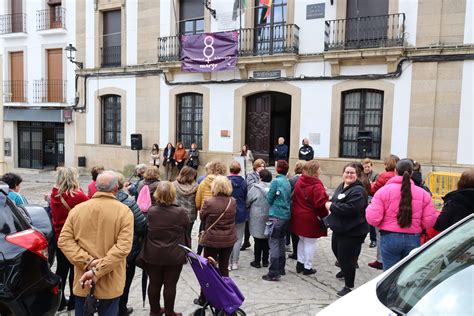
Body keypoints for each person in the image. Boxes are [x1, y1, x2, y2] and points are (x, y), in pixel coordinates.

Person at [58, 171, 133, 315]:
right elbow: (123, 248)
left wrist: (88, 262)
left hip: (83, 280)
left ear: (96, 187)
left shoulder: (78, 210)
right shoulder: (124, 212)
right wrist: (96, 268)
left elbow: (64, 241)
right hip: (109, 281)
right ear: (116, 189)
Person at [366, 159, 437, 271]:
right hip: (413, 237)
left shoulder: (383, 191)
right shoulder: (423, 194)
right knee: (407, 274)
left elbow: (373, 218)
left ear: (395, 171)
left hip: (389, 237)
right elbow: (429, 221)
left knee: (389, 274)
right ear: (412, 173)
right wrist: (417, 225)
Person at [139, 181, 190, 316]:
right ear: (173, 194)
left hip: (153, 253)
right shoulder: (180, 212)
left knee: (154, 283)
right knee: (170, 284)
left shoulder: (151, 211)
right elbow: (186, 226)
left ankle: (154, 311)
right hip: (174, 254)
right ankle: (169, 312)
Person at [325, 163, 369, 297]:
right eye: (347, 172)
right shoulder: (343, 185)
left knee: (347, 258)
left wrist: (331, 206)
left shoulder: (358, 191)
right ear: (343, 173)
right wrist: (332, 204)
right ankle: (344, 270)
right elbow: (335, 199)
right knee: (336, 250)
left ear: (357, 175)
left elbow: (350, 209)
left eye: (352, 173)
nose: (349, 175)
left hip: (353, 231)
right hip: (339, 228)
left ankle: (349, 286)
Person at [50, 167, 89, 311]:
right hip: (75, 238)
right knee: (75, 270)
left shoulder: (55, 194)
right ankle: (73, 300)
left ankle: (58, 302)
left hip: (59, 237)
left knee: (61, 270)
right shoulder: (78, 196)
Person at [195, 175, 237, 306]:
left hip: (212, 239)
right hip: (228, 239)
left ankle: (204, 297)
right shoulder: (232, 201)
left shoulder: (209, 202)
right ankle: (225, 297)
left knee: (208, 269)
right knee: (224, 268)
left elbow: (202, 216)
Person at [116, 173, 147, 316]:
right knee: (125, 281)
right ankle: (121, 308)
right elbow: (141, 226)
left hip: (102, 250)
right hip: (127, 251)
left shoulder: (93, 201)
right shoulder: (129, 202)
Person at [291, 160, 329, 275]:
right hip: (310, 217)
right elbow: (320, 203)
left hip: (298, 215)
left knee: (301, 240)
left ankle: (300, 263)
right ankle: (307, 267)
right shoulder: (317, 185)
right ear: (315, 171)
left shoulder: (300, 180)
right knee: (310, 243)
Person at [368, 154, 399, 270]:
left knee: (380, 236)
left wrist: (370, 184)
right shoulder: (400, 176)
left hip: (384, 210)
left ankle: (381, 260)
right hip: (396, 210)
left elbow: (373, 191)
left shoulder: (383, 176)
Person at [262, 160, 291, 282]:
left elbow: (269, 199)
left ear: (278, 169)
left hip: (276, 215)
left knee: (273, 242)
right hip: (286, 216)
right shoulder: (287, 181)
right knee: (281, 241)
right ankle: (281, 267)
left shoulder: (276, 182)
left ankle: (273, 272)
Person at [195, 161, 227, 255]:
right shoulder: (224, 182)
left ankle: (199, 252)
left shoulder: (204, 181)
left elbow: (198, 199)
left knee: (202, 232)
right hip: (220, 210)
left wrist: (200, 208)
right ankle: (216, 254)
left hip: (206, 211)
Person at [247, 169, 272, 269]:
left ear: (260, 178)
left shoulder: (256, 188)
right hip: (269, 214)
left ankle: (257, 261)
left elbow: (248, 200)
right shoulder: (272, 187)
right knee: (266, 239)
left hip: (257, 216)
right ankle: (265, 261)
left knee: (258, 240)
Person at [228, 161, 248, 270]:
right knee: (238, 238)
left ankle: (227, 262)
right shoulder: (244, 182)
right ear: (239, 170)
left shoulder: (225, 181)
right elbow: (246, 197)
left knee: (228, 237)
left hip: (228, 212)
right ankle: (235, 262)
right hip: (240, 212)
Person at [173, 166, 198, 237]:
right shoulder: (196, 187)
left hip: (176, 215)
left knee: (176, 235)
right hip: (190, 215)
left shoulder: (173, 185)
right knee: (187, 235)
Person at [287, 160, 305, 260]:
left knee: (294, 231)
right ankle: (301, 252)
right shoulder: (307, 179)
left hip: (294, 207)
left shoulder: (292, 180)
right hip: (304, 208)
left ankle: (296, 252)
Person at [362, 158, 378, 248]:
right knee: (362, 219)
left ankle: (373, 240)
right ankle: (362, 237)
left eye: (368, 166)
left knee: (371, 221)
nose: (367, 168)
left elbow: (375, 187)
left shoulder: (376, 175)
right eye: (365, 167)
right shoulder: (361, 174)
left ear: (371, 166)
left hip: (371, 199)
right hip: (362, 198)